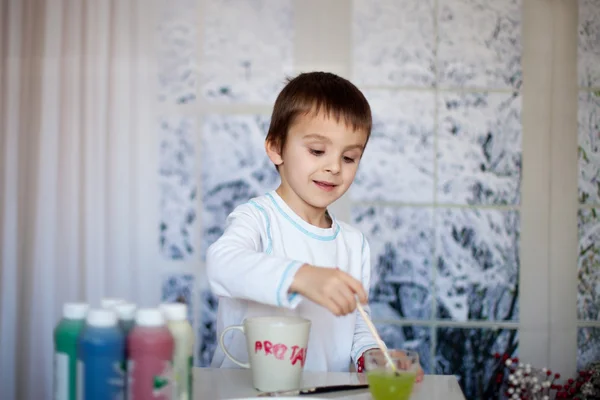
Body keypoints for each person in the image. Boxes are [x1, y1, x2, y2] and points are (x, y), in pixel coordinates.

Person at [207, 71, 423, 380]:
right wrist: (302, 277)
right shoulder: (259, 219)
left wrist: (372, 356)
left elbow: (358, 321)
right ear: (276, 148)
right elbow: (222, 264)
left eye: (349, 157)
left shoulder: (353, 243)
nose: (334, 167)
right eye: (317, 151)